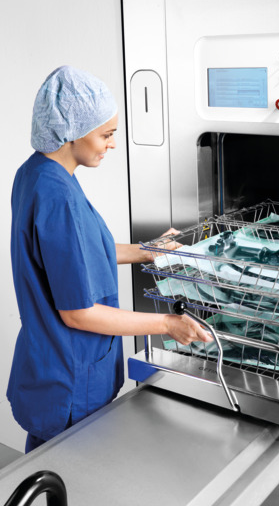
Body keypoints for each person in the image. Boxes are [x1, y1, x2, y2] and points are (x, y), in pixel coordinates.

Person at [8, 66, 211, 453]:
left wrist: (146, 250)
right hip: (70, 375)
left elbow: (73, 253)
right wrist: (167, 324)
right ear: (72, 131)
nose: (112, 144)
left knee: (46, 473)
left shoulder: (36, 174)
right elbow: (78, 314)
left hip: (48, 362)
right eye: (106, 135)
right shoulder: (59, 196)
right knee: (65, 477)